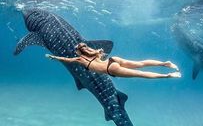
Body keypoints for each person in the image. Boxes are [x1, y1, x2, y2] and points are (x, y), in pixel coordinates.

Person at [45, 42, 181, 78]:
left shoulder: (80, 59)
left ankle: (167, 75)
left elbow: (66, 60)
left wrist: (54, 57)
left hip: (111, 69)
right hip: (113, 60)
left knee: (141, 74)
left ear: (78, 52)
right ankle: (165, 63)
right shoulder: (96, 53)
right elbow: (102, 54)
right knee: (141, 63)